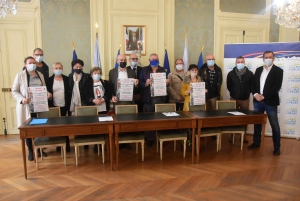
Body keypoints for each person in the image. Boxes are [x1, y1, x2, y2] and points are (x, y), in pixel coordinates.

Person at [12, 56, 52, 161]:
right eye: (30, 62)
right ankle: (30, 150)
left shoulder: (41, 75)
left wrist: (48, 94)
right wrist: (22, 99)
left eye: (34, 62)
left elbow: (43, 89)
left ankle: (39, 149)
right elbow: (14, 91)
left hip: (39, 106)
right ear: (25, 65)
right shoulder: (20, 75)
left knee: (39, 128)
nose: (32, 64)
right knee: (28, 130)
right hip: (26, 107)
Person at [248, 51, 283, 156]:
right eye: (266, 57)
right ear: (263, 59)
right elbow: (253, 84)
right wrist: (255, 95)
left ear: (273, 58)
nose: (268, 59)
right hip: (258, 101)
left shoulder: (278, 71)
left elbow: (276, 86)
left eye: (270, 57)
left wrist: (264, 96)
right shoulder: (258, 70)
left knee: (274, 125)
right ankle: (256, 142)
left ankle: (276, 147)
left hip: (270, 102)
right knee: (257, 123)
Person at [139, 53, 170, 146]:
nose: (154, 60)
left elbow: (168, 83)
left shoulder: (163, 70)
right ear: (149, 60)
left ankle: (161, 137)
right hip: (148, 99)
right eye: (152, 59)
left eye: (156, 59)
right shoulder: (144, 70)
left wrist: (168, 82)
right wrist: (146, 83)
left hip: (160, 98)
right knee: (149, 119)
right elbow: (140, 83)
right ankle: (150, 138)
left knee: (161, 118)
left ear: (159, 59)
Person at [226, 56, 253, 143]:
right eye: (238, 62)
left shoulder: (250, 74)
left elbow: (251, 86)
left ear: (244, 63)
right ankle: (232, 136)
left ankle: (243, 136)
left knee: (244, 119)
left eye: (242, 62)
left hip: (245, 99)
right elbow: (229, 86)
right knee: (232, 118)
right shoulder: (230, 74)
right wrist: (234, 93)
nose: (240, 63)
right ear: (236, 63)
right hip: (234, 99)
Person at [46, 62, 71, 152]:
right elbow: (46, 91)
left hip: (65, 105)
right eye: (56, 68)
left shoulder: (67, 79)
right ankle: (59, 144)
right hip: (54, 106)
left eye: (60, 68)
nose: (58, 69)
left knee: (65, 125)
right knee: (56, 126)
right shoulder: (48, 80)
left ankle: (66, 144)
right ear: (53, 70)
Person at [84, 67, 111, 152]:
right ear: (91, 74)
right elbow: (85, 94)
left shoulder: (105, 83)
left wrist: (103, 99)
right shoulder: (87, 83)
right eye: (95, 73)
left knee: (102, 125)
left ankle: (101, 143)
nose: (97, 75)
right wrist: (93, 100)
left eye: (99, 73)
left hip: (103, 107)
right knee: (94, 125)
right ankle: (95, 142)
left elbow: (109, 93)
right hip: (92, 107)